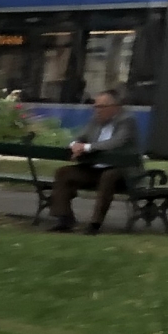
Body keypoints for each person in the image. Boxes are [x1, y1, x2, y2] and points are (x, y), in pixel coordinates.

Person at [49, 87, 143, 233]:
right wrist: (75, 145)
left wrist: (86, 147)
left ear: (115, 107)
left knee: (108, 176)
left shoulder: (127, 121)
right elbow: (79, 137)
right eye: (95, 106)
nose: (97, 110)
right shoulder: (95, 121)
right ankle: (65, 219)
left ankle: (94, 224)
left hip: (123, 170)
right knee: (63, 173)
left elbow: (116, 142)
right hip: (95, 168)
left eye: (101, 107)